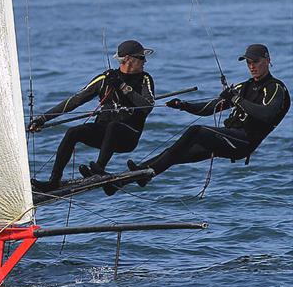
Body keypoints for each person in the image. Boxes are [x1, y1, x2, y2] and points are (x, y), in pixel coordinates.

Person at [127, 44, 289, 184]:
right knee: (178, 152)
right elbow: (211, 107)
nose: (251, 66)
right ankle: (137, 175)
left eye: (256, 62)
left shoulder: (275, 88)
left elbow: (266, 114)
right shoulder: (244, 87)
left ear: (267, 61)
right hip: (229, 138)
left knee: (196, 131)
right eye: (248, 63)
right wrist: (184, 106)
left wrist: (235, 99)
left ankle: (148, 172)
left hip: (243, 143)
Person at [29, 40, 156, 192]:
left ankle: (99, 169)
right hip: (104, 135)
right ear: (128, 59)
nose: (145, 61)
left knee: (113, 127)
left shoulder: (145, 79)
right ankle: (54, 181)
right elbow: (74, 101)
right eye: (141, 58)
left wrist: (123, 88)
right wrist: (42, 119)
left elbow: (148, 107)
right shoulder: (105, 79)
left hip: (128, 137)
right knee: (73, 132)